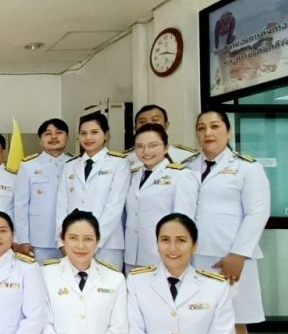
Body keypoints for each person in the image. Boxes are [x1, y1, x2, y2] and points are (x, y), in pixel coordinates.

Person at [186, 108, 270, 334]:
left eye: (214, 126)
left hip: (231, 259)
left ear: (228, 131)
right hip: (195, 258)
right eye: (201, 128)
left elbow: (258, 213)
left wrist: (239, 253)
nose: (208, 133)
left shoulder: (247, 168)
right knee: (199, 320)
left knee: (234, 321)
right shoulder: (188, 167)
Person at [55, 113, 131, 268]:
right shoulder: (70, 165)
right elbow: (62, 205)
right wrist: (61, 241)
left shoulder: (119, 163)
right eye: (83, 133)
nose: (88, 137)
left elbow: (114, 206)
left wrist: (94, 241)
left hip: (107, 245)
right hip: (73, 244)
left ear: (106, 135)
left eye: (94, 132)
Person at [124, 124, 198, 270]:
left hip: (163, 255)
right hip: (132, 255)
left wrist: (177, 255)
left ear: (165, 148)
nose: (146, 151)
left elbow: (184, 221)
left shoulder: (181, 176)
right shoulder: (132, 176)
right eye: (140, 146)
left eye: (153, 145)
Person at [13, 118, 72, 263]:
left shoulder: (75, 163)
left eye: (59, 132)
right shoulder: (28, 166)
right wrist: (22, 239)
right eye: (48, 133)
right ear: (40, 140)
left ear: (67, 137)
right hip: (38, 240)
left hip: (71, 237)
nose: (53, 137)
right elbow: (20, 205)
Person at [127, 105, 198, 167]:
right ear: (135, 128)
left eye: (155, 120)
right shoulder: (125, 159)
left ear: (166, 125)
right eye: (142, 121)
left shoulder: (188, 157)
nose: (149, 124)